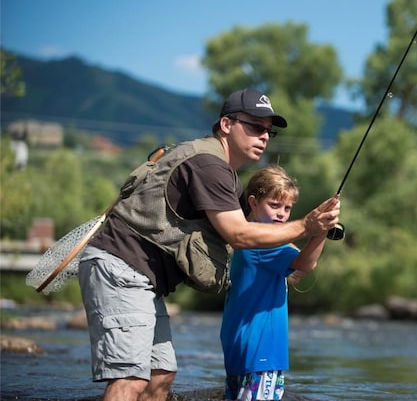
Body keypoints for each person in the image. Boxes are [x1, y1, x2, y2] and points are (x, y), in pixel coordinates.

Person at [77, 88, 340, 401]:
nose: (264, 136)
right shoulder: (209, 165)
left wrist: (318, 231)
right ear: (226, 125)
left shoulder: (228, 177)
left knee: (159, 377)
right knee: (132, 380)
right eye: (255, 127)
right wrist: (307, 226)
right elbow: (241, 235)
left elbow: (259, 234)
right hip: (121, 265)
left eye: (268, 131)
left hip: (143, 277)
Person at [220, 165, 327, 401]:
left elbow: (298, 263)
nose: (282, 214)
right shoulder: (265, 244)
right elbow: (306, 264)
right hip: (262, 352)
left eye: (287, 208)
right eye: (274, 205)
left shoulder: (248, 240)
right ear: (253, 202)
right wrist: (320, 232)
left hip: (240, 350)